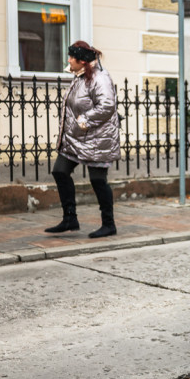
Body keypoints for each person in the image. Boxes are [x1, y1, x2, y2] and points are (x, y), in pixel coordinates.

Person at [45, 41, 120, 238]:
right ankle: (70, 218)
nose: (68, 60)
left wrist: (84, 120)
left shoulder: (99, 78)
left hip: (97, 138)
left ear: (82, 61)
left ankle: (109, 224)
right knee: (60, 171)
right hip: (76, 138)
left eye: (72, 57)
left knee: (97, 180)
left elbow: (107, 106)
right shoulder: (79, 76)